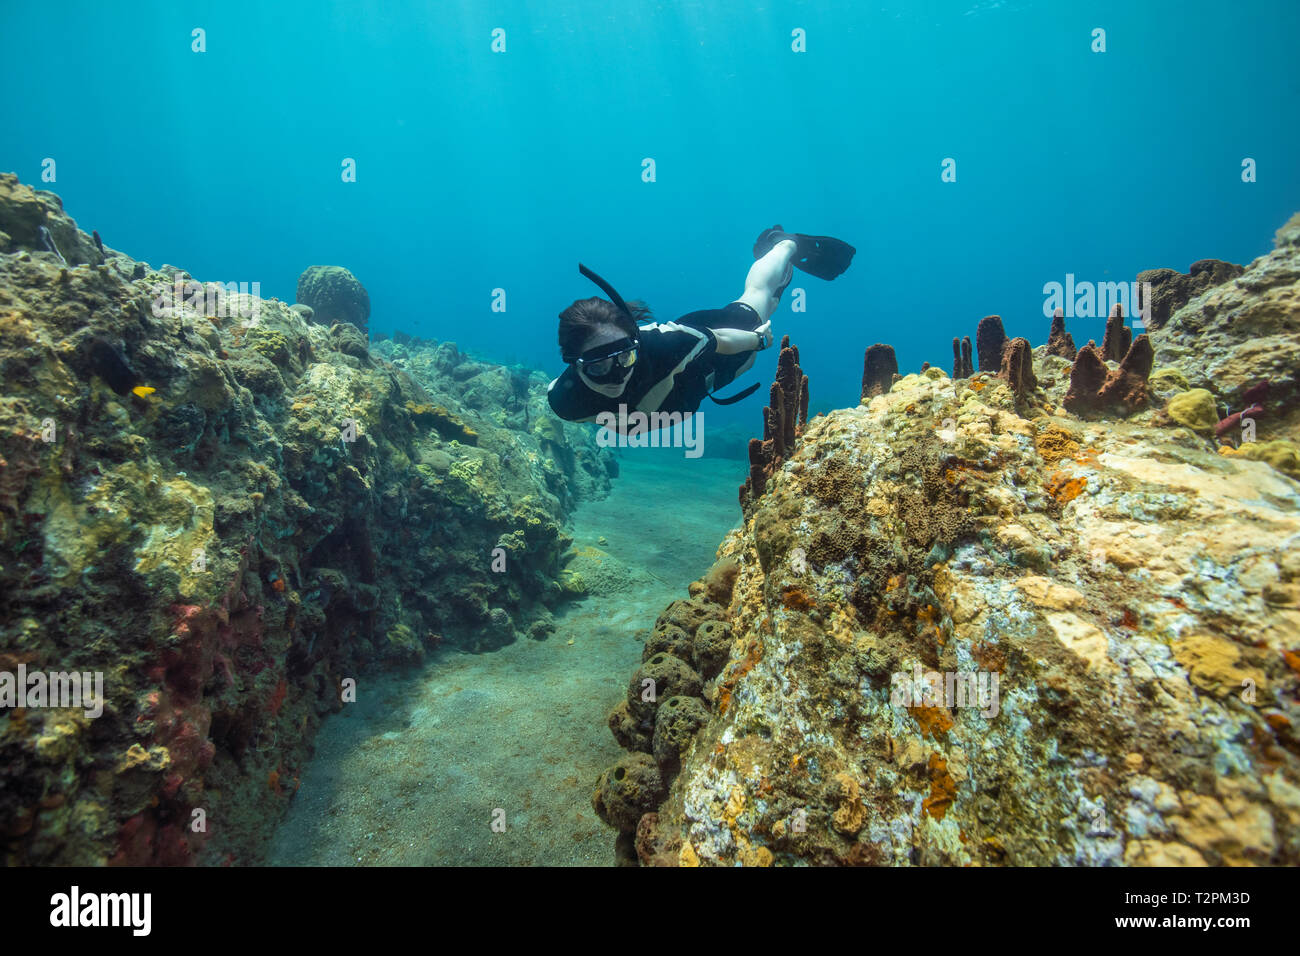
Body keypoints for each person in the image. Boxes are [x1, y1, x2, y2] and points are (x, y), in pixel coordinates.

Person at [546, 226, 855, 430]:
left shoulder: (668, 344)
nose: (617, 375)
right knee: (773, 302)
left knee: (757, 302)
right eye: (599, 367)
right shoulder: (564, 399)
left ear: (634, 346)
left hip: (714, 352)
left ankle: (785, 244)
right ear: (576, 365)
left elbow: (717, 339)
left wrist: (757, 341)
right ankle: (781, 273)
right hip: (696, 387)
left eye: (624, 358)